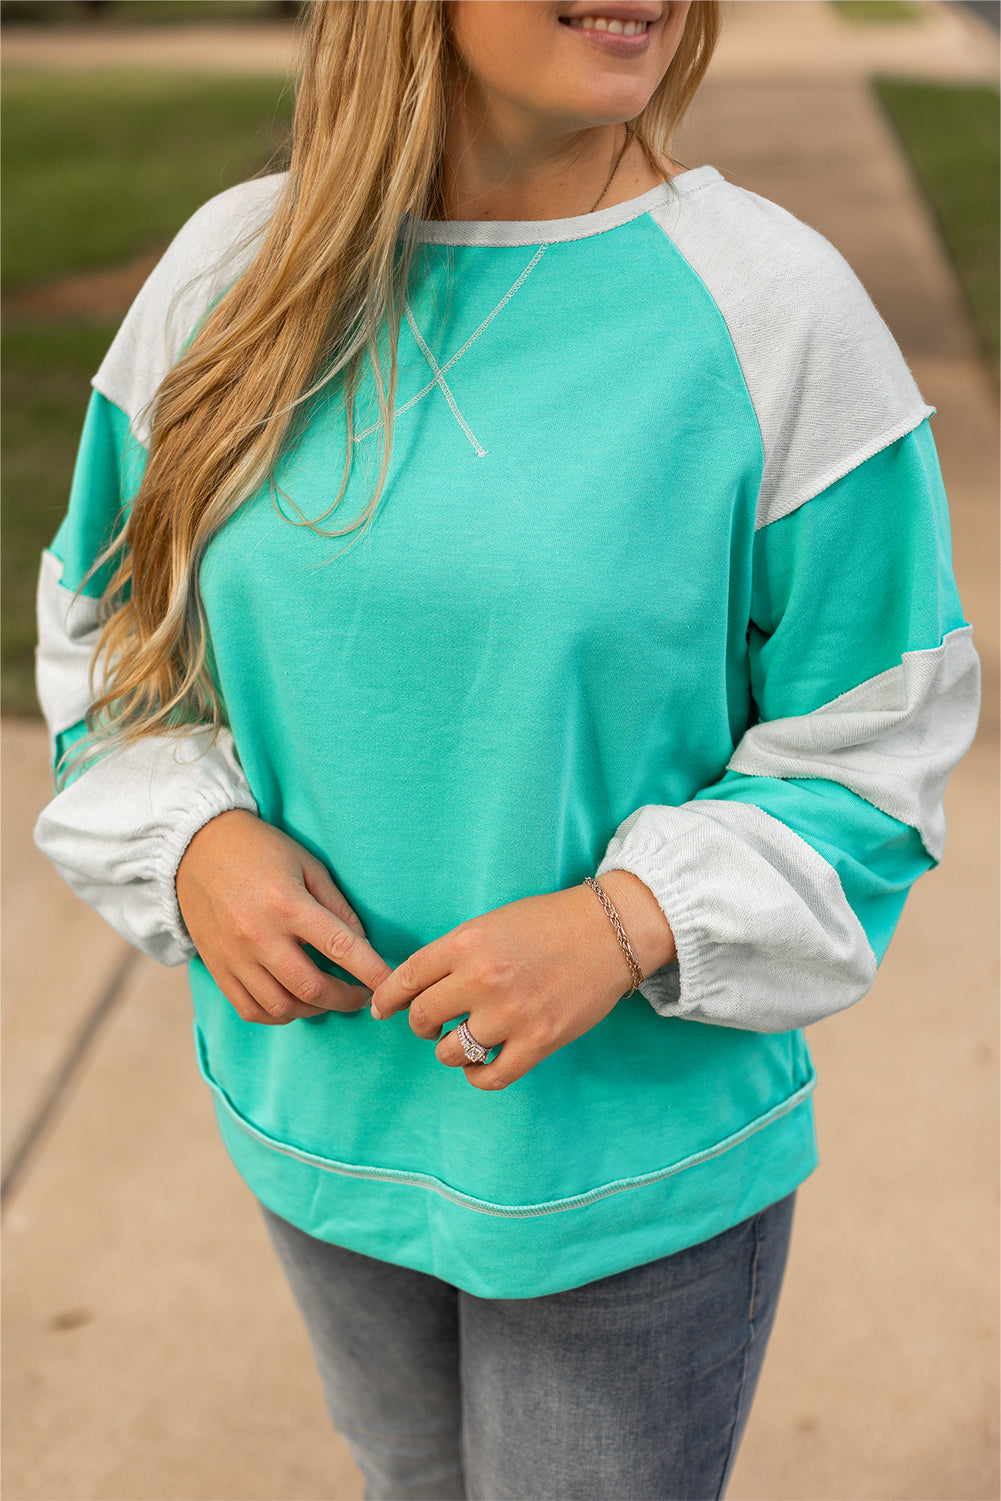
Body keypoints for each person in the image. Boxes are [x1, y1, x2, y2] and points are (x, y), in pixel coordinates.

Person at [33, 2, 979, 1497]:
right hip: (320, 1125)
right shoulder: (228, 271)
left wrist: (625, 921)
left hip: (624, 1164)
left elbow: (876, 737)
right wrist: (192, 835)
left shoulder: (773, 310)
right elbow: (114, 631)